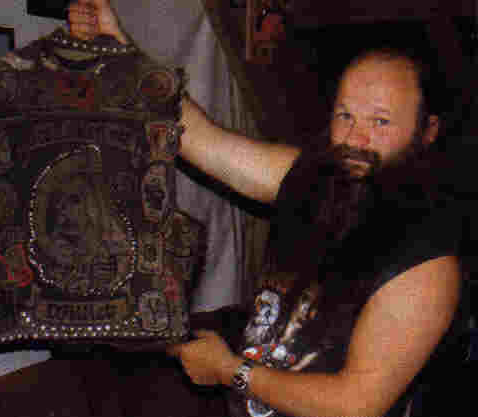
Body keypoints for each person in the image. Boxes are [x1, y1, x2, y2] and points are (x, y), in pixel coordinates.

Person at [69, 2, 468, 417]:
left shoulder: (428, 263)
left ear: (427, 131)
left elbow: (356, 404)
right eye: (345, 115)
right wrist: (118, 48)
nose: (355, 138)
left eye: (380, 122)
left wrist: (230, 371)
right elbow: (201, 139)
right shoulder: (314, 181)